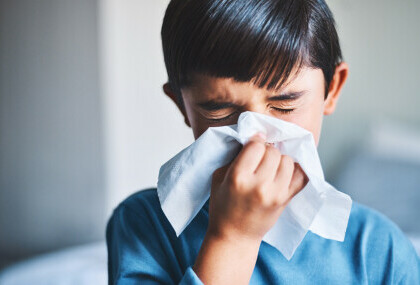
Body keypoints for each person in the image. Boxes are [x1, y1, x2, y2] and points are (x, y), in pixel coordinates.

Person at [106, 0, 420, 284]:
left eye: (284, 105)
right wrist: (233, 239)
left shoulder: (379, 250)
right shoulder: (144, 225)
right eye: (219, 109)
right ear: (181, 105)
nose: (255, 136)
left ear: (331, 90)